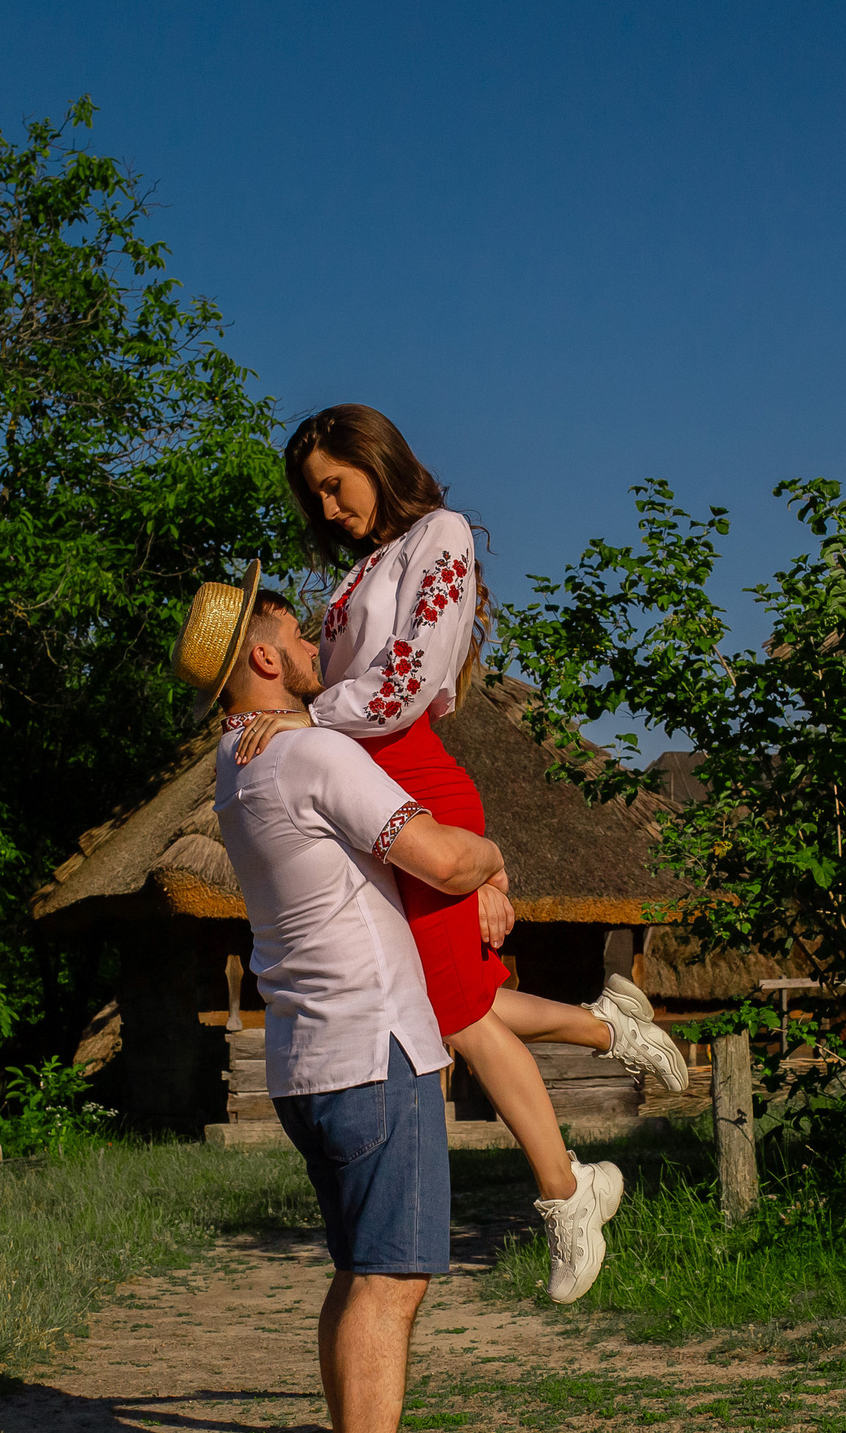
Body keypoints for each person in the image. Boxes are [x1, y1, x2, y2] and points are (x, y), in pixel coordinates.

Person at [232, 403, 688, 1305]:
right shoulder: (361, 568)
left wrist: (298, 721)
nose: (325, 507)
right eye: (312, 496)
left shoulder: (438, 536)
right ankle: (611, 1027)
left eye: (335, 483)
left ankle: (569, 1194)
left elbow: (404, 684)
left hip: (412, 780)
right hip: (367, 783)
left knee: (459, 1015)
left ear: (376, 457)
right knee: (449, 1002)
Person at [172, 564, 488, 1433]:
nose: (317, 647)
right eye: (298, 635)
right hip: (372, 1045)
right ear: (263, 658)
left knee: (358, 1271)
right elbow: (437, 859)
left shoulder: (238, 763)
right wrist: (490, 861)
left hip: (306, 1056)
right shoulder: (308, 755)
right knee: (390, 1280)